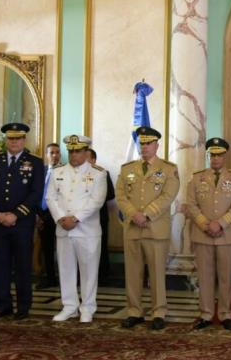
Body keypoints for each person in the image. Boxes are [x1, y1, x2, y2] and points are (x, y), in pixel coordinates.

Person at [115, 126, 179, 330]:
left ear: (157, 145)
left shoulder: (168, 168)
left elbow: (168, 196)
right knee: (132, 273)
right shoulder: (127, 169)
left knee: (157, 273)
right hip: (133, 228)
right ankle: (134, 311)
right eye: (141, 143)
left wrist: (147, 214)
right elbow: (120, 195)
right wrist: (133, 214)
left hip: (155, 229)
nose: (144, 147)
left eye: (148, 143)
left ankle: (159, 312)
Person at [0, 123, 45, 320]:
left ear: (24, 140)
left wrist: (16, 214)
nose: (14, 142)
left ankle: (23, 307)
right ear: (5, 140)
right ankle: (3, 306)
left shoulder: (35, 162)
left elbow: (36, 193)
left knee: (23, 266)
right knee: (0, 266)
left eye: (18, 138)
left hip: (22, 223)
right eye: (11, 138)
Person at [185, 137, 231, 331]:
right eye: (212, 155)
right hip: (203, 234)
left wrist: (220, 223)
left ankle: (225, 314)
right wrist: (206, 224)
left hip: (227, 235)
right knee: (205, 277)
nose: (216, 158)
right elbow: (191, 205)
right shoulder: (196, 178)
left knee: (226, 277)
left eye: (219, 155)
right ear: (208, 156)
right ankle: (206, 314)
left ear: (225, 156)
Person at [47, 135, 107, 323]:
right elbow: (50, 198)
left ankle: (88, 308)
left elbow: (96, 201)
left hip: (87, 231)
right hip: (63, 229)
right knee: (66, 270)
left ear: (87, 152)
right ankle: (69, 307)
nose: (74, 154)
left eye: (78, 151)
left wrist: (75, 218)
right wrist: (60, 218)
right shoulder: (57, 171)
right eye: (71, 151)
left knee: (89, 271)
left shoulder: (98, 173)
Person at [87, 148, 115, 286]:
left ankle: (103, 275)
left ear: (93, 160)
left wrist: (96, 197)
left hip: (100, 217)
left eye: (87, 157)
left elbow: (111, 194)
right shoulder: (76, 174)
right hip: (81, 219)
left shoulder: (103, 173)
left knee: (101, 246)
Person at [36, 142, 62, 289]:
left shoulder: (65, 171)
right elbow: (35, 193)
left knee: (63, 249)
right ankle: (49, 277)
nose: (54, 155)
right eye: (51, 153)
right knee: (46, 248)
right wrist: (38, 215)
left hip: (58, 215)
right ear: (46, 155)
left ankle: (64, 278)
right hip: (43, 215)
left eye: (57, 152)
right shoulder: (41, 171)